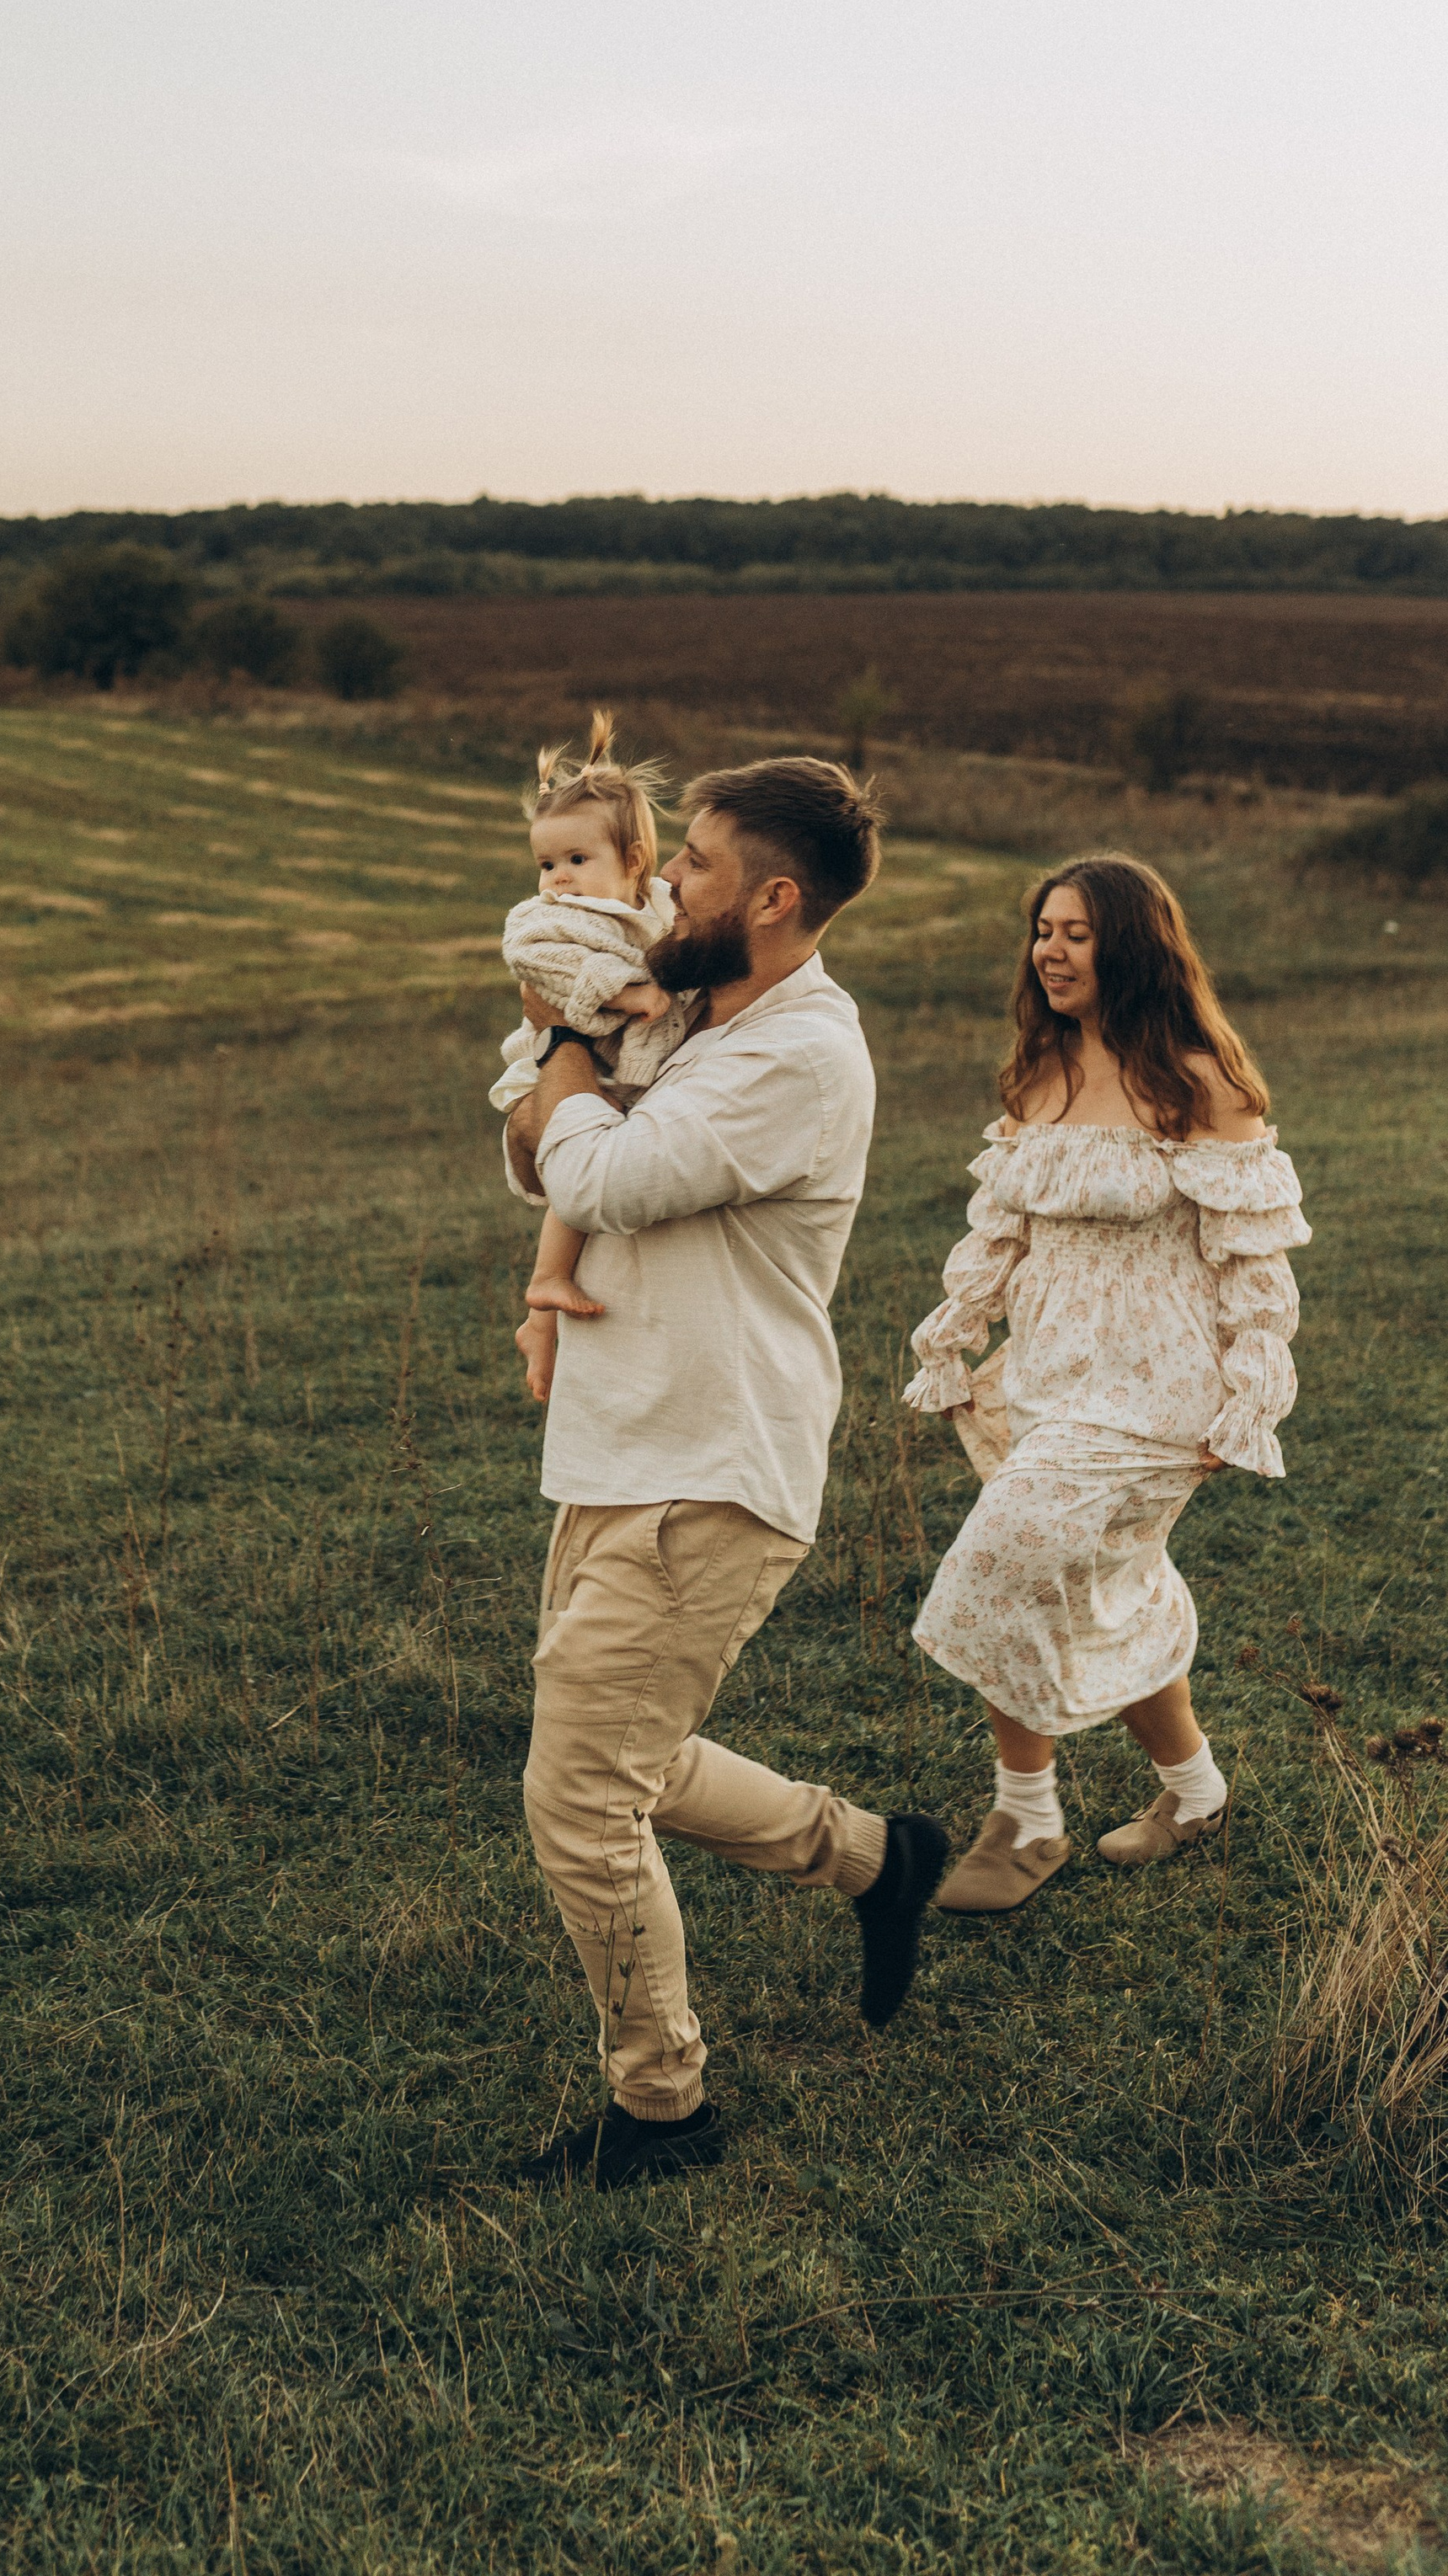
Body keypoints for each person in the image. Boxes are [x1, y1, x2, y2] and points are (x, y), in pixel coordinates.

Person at [501, 757, 948, 2190]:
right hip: (620, 1441)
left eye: (688, 864)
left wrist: (566, 1049)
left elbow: (606, 1182)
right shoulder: (688, 1010)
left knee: (580, 1796)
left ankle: (664, 2109)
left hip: (715, 1459)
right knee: (619, 1755)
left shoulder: (801, 1053)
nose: (655, 883)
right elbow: (536, 1157)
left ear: (772, 896)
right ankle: (877, 1858)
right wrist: (569, 1057)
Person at [902, 854, 1309, 1914]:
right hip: (1043, 1377)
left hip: (1161, 1388)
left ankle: (1024, 1819)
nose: (1049, 949)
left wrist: (1249, 1391)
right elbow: (998, 1232)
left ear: (1131, 944)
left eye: (1076, 932)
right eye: (1042, 930)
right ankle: (1194, 1792)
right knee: (1092, 1586)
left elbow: (1252, 1264)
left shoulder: (1196, 1081)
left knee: (1006, 1558)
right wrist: (956, 1336)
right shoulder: (1036, 1077)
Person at [489, 712, 694, 1406]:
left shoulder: (658, 907)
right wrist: (626, 990)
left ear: (633, 863)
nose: (558, 879)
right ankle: (546, 1284)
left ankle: (540, 1320)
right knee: (581, 1154)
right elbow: (532, 960)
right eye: (546, 864)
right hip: (553, 1062)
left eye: (577, 861)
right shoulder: (550, 919)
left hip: (614, 1064)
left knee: (599, 1164)